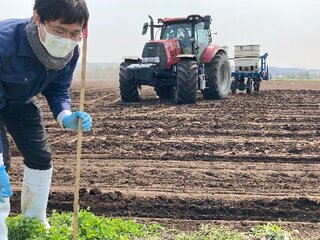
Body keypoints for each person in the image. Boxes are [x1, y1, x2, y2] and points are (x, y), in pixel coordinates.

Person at [0, 0, 92, 239]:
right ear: (37, 18)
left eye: (75, 33)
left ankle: (34, 222)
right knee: (1, 164)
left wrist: (66, 115)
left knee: (41, 157)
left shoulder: (70, 52)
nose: (66, 39)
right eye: (59, 31)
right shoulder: (4, 41)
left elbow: (58, 89)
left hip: (20, 100)